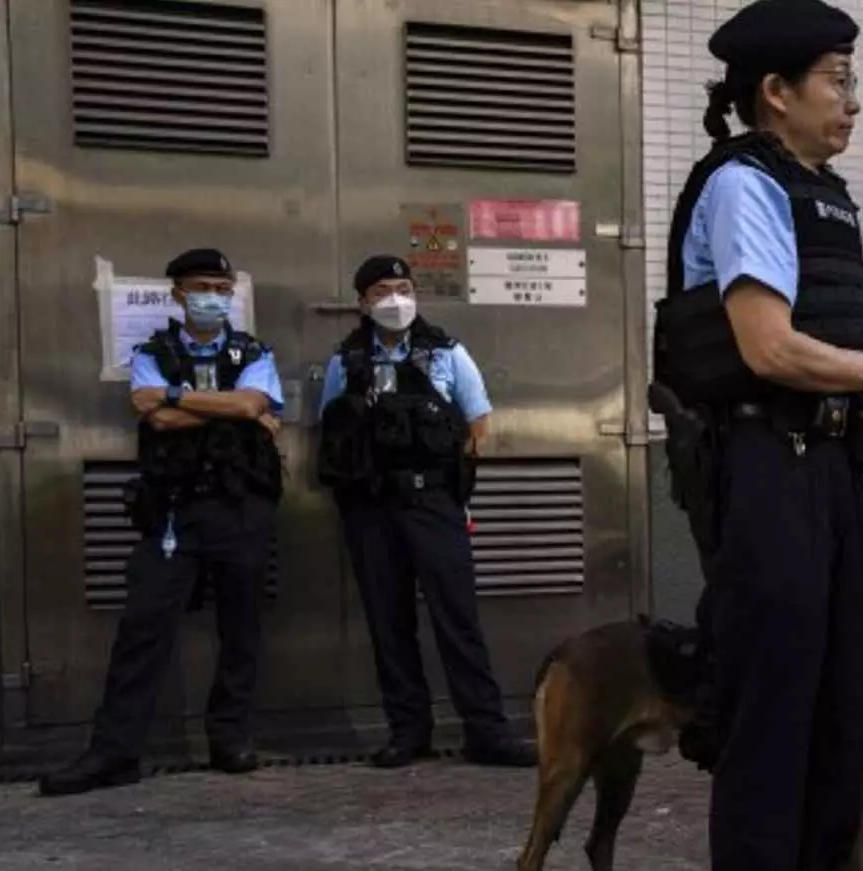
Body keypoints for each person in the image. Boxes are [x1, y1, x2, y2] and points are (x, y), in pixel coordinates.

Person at [651, 0, 863, 871]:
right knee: (774, 726)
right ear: (776, 93)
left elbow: (828, 336)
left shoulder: (824, 195)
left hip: (840, 468)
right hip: (769, 472)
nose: (853, 101)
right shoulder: (744, 184)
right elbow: (767, 348)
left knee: (848, 717)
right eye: (837, 80)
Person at [39, 249, 284, 796]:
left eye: (221, 289)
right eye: (201, 287)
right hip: (174, 510)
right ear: (177, 293)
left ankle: (230, 740)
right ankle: (115, 752)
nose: (212, 298)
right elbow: (157, 416)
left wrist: (177, 397)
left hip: (241, 507)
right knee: (142, 629)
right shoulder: (152, 352)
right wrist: (225, 406)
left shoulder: (254, 351)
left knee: (241, 629)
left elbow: (248, 405)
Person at [316, 255, 536, 769]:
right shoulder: (346, 361)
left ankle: (487, 731)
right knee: (387, 620)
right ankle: (408, 731)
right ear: (362, 303)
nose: (395, 300)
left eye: (404, 288)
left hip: (433, 502)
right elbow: (331, 428)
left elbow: (478, 424)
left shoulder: (446, 353)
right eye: (381, 291)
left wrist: (443, 473)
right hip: (372, 507)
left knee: (457, 618)